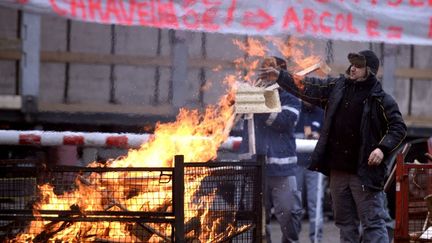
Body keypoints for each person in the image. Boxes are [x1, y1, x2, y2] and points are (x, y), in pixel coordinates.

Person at [260, 50, 407, 243]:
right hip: (338, 172)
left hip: (364, 173)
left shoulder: (381, 99)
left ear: (369, 71)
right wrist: (281, 77)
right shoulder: (337, 87)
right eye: (352, 64)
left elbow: (398, 128)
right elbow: (308, 86)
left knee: (372, 224)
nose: (352, 68)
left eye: (358, 65)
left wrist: (382, 148)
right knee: (345, 224)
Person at [239, 56, 303, 243]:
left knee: (290, 213)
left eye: (270, 69)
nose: (264, 72)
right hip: (254, 167)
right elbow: (238, 116)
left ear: (280, 72)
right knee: (257, 216)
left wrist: (259, 104)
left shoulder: (290, 96)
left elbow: (285, 121)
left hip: (281, 169)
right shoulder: (252, 94)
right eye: (263, 68)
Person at [295, 101, 325, 243]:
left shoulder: (321, 112)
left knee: (315, 204)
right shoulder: (296, 110)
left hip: (315, 166)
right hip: (296, 164)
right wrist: (303, 136)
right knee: (296, 205)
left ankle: (316, 240)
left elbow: (327, 135)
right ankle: (293, 238)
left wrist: (317, 136)